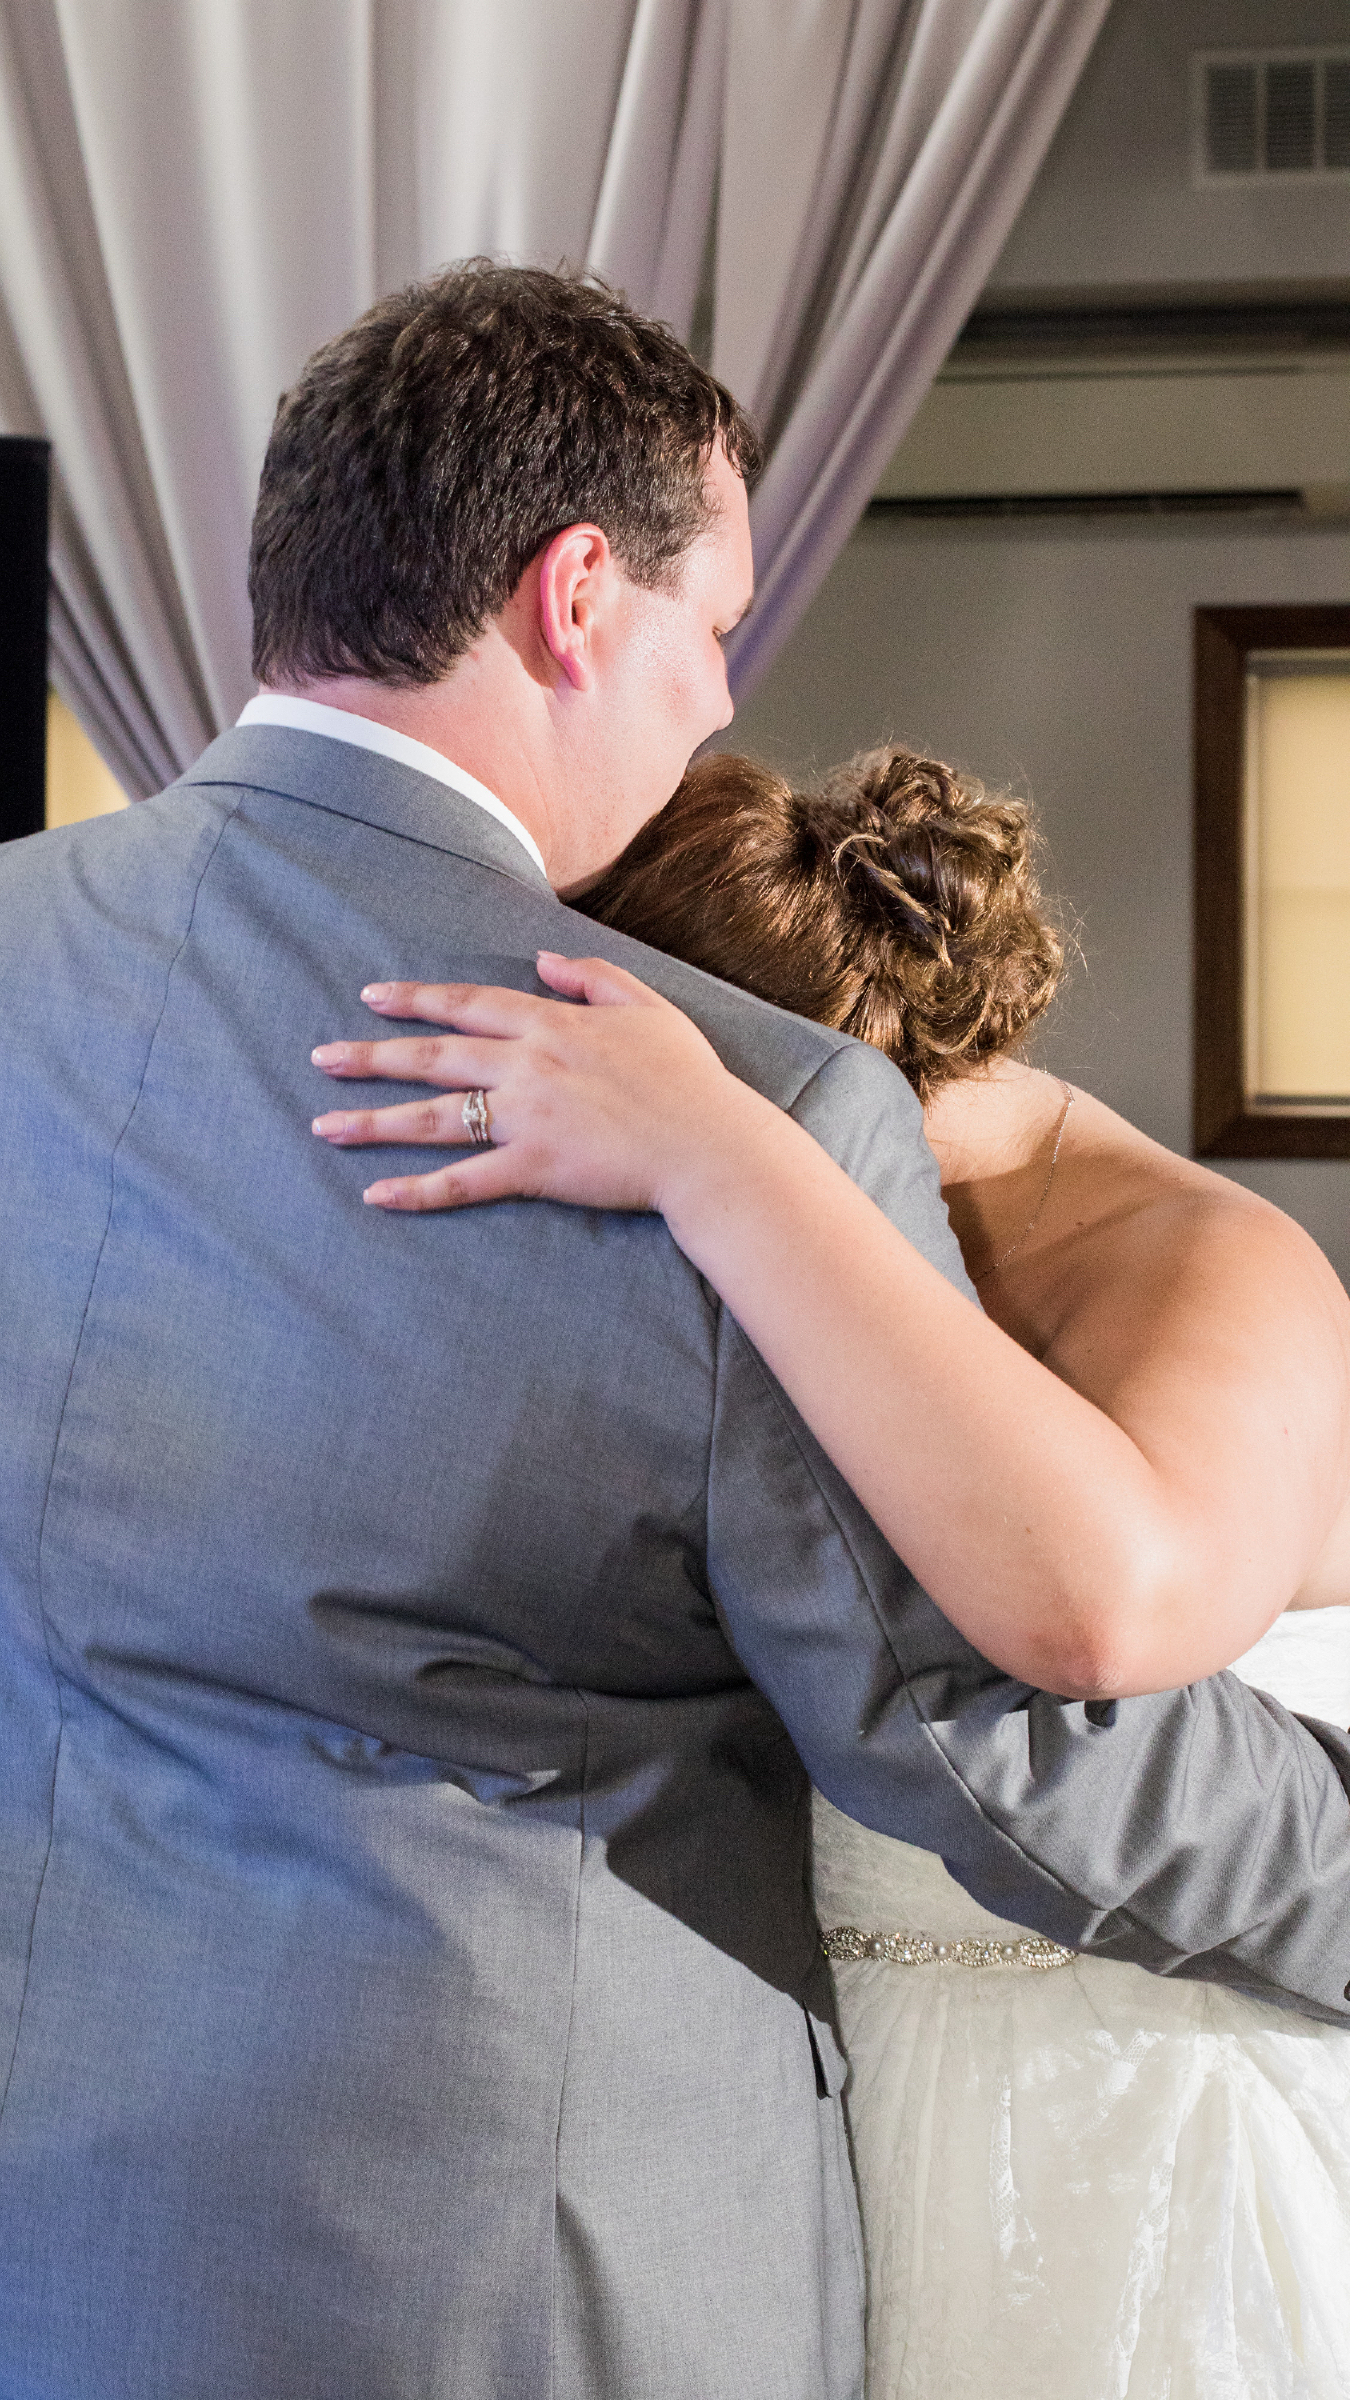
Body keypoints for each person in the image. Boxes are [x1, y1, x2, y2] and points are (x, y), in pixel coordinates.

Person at [0, 266, 1350, 2400]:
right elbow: (984, 1734)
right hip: (453, 2299)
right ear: (576, 594)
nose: (713, 707)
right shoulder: (713, 1101)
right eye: (714, 631)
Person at [310, 742, 1350, 2394]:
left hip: (1133, 2110)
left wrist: (729, 1163)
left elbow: (1102, 1617)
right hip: (812, 2116)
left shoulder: (1215, 1270)